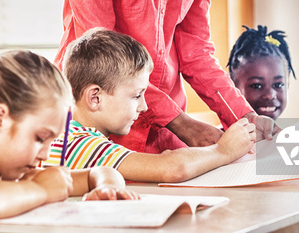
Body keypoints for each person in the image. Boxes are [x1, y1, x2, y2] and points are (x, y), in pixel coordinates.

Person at [0, 50, 140, 222]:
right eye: (40, 138)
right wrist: (43, 190)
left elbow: (100, 172)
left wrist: (107, 188)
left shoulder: (19, 179)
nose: (47, 153)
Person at [54, 0, 280, 154]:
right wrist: (181, 123)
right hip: (106, 113)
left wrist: (244, 116)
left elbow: (197, 54)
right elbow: (101, 53)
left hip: (166, 123)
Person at [45, 28, 255, 183]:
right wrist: (223, 150)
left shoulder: (62, 132)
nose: (144, 107)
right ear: (95, 98)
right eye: (136, 96)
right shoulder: (81, 144)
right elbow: (172, 168)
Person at [228, 25, 296, 120]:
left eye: (278, 85)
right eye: (257, 86)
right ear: (232, 87)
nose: (270, 95)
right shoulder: (224, 135)